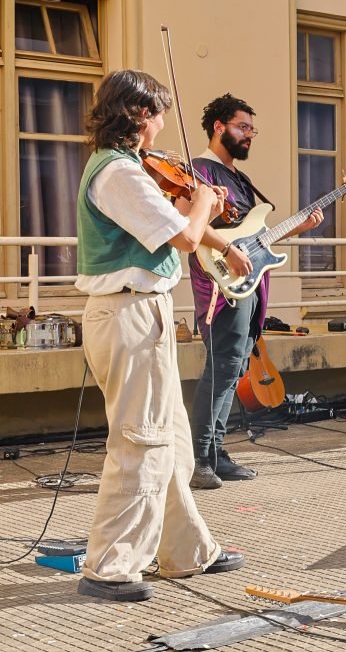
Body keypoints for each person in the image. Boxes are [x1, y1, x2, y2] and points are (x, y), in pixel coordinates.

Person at [74, 70, 250, 601]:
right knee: (139, 443)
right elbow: (182, 233)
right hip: (129, 316)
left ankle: (186, 552)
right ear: (140, 116)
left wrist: (225, 242)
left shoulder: (126, 169)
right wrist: (204, 203)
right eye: (159, 113)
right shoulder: (119, 174)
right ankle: (108, 567)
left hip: (140, 314)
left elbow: (176, 222)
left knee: (169, 440)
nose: (164, 124)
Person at [188, 94, 324, 489]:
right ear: (219, 126)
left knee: (234, 369)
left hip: (249, 283)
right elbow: (189, 223)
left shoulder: (238, 178)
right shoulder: (200, 171)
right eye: (242, 127)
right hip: (221, 284)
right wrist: (228, 250)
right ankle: (199, 458)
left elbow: (253, 236)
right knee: (222, 369)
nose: (249, 135)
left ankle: (215, 451)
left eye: (252, 129)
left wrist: (297, 228)